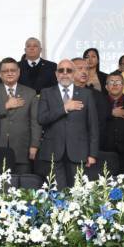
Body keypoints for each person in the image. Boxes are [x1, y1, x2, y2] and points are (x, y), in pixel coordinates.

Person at [37, 59, 99, 189]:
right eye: (61, 70)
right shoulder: (46, 92)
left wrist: (92, 154)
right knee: (57, 195)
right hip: (53, 152)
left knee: (77, 194)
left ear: (74, 73)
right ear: (56, 74)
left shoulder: (86, 94)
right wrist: (64, 108)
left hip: (79, 152)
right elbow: (41, 119)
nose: (65, 74)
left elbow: (93, 126)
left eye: (69, 70)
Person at [0, 57, 41, 174]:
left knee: (22, 188)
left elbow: (35, 122)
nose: (10, 73)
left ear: (19, 72)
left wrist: (34, 145)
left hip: (23, 149)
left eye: (13, 70)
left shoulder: (30, 93)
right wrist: (6, 106)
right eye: (6, 71)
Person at [73, 57, 110, 138]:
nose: (84, 72)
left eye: (86, 69)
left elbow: (100, 124)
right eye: (80, 68)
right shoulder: (61, 93)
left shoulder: (97, 95)